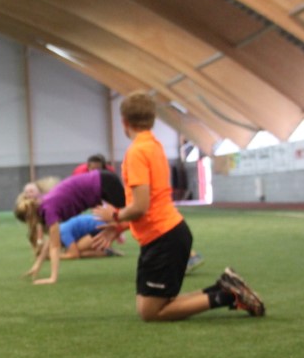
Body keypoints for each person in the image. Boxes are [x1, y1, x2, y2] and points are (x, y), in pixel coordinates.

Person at [91, 91, 265, 321]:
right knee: (151, 307)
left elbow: (141, 205)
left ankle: (228, 295)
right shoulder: (153, 146)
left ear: (124, 122)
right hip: (165, 235)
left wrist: (114, 216)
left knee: (151, 312)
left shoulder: (137, 152)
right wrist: (121, 226)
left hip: (162, 237)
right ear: (152, 119)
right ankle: (224, 288)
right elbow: (151, 201)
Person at [16, 169, 127, 285]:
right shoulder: (45, 205)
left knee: (134, 213)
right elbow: (51, 239)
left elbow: (55, 246)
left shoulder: (49, 209)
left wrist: (53, 277)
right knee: (131, 214)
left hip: (104, 183)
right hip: (102, 181)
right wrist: (37, 265)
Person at [57, 214, 123, 259]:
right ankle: (105, 250)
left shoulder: (63, 232)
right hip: (104, 227)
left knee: (76, 252)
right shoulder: (61, 228)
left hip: (104, 230)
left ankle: (107, 252)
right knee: (72, 251)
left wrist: (57, 256)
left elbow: (75, 254)